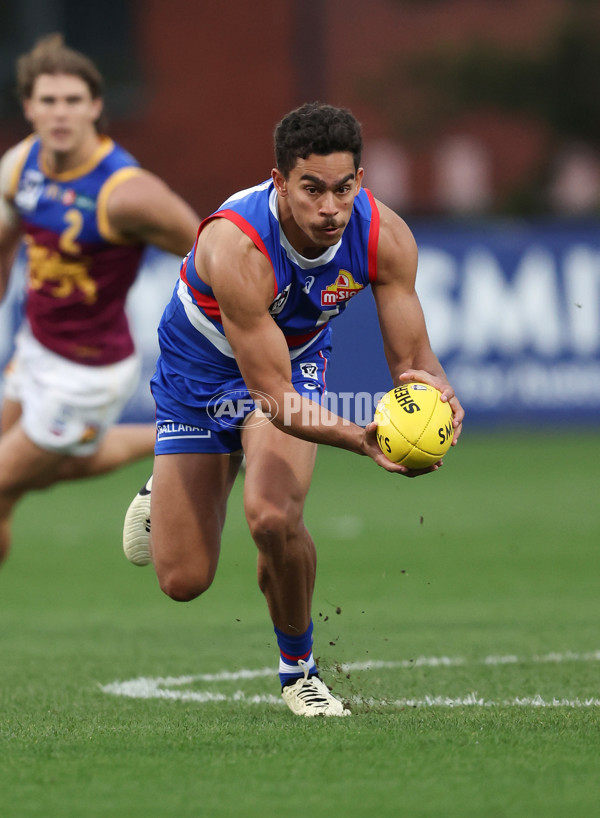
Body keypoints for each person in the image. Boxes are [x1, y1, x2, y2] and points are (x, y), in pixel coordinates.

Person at [122, 102, 464, 717]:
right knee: (182, 580)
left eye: (344, 187)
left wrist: (438, 398)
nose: (331, 208)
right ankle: (168, 482)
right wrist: (367, 439)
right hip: (201, 374)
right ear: (280, 182)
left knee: (273, 519)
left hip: (294, 359)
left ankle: (298, 671)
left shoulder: (385, 236)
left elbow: (415, 361)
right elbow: (274, 401)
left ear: (360, 180)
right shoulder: (237, 248)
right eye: (312, 189)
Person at [0, 34, 199, 564]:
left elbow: (211, 252)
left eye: (72, 100)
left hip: (88, 373)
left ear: (94, 106)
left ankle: (185, 437)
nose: (59, 112)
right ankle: (171, 436)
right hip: (33, 345)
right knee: (24, 481)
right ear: (28, 107)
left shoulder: (127, 192)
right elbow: (5, 240)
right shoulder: (22, 166)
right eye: (47, 101)